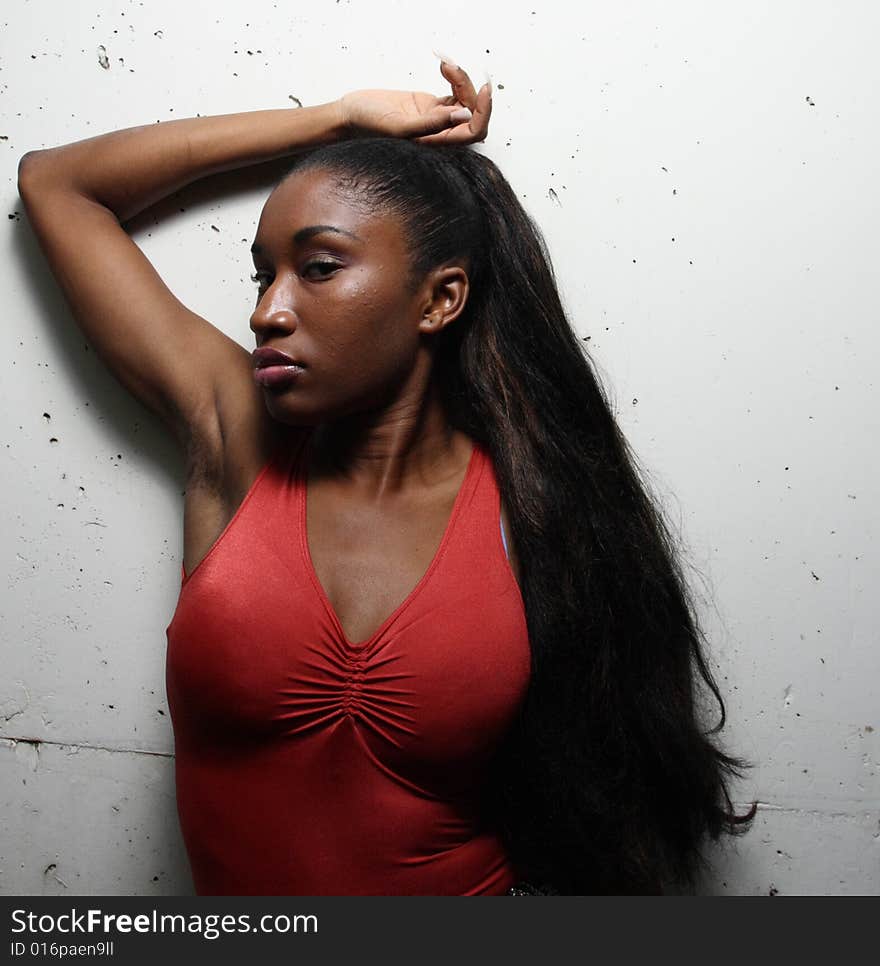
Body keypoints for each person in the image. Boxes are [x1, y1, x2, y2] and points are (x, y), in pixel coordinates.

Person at [17, 57, 754, 896]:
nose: (267, 309)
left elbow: (616, 802)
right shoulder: (237, 444)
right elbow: (57, 185)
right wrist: (336, 121)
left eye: (319, 267)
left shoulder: (539, 512)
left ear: (440, 300)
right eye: (263, 274)